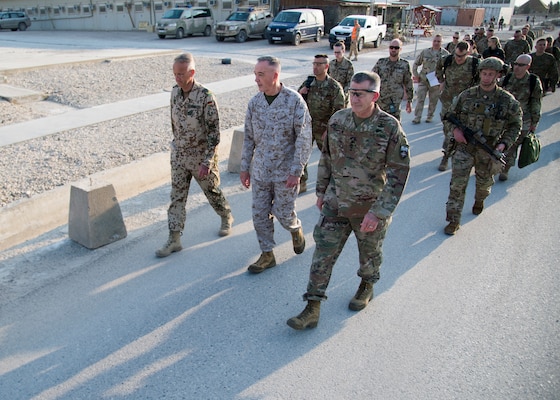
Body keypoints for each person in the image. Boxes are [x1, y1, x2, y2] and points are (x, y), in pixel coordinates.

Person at [286, 71, 410, 330]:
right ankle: (312, 306)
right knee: (323, 254)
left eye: (359, 93)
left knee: (369, 254)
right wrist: (321, 191)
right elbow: (327, 158)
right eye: (351, 92)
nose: (353, 97)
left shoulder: (389, 127)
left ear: (374, 96)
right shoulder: (338, 120)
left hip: (369, 207)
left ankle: (367, 284)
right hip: (336, 202)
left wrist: (379, 212)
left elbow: (399, 172)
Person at [156, 53, 234, 258]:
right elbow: (174, 124)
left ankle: (226, 215)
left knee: (212, 192)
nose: (177, 78)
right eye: (175, 74)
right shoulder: (174, 93)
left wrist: (208, 160)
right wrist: (177, 148)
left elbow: (214, 134)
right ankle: (174, 238)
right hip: (180, 157)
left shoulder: (206, 97)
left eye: (181, 74)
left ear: (192, 72)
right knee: (177, 197)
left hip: (201, 159)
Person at [240, 56, 312, 274]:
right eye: (255, 74)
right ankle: (267, 254)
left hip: (285, 173)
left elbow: (304, 137)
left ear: (275, 76)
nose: (256, 80)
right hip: (261, 170)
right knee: (260, 214)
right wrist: (244, 167)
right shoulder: (255, 103)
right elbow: (249, 138)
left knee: (283, 213)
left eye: (260, 75)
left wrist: (296, 171)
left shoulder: (294, 101)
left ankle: (295, 228)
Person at [443, 57, 521, 235]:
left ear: (498, 76)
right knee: (457, 186)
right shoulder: (467, 95)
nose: (486, 77)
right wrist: (455, 131)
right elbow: (448, 116)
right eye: (484, 74)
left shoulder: (506, 100)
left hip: (489, 150)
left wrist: (503, 144)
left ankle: (479, 200)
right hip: (464, 149)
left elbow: (515, 124)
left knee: (484, 185)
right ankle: (453, 220)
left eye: (490, 74)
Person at [298, 54, 345, 193]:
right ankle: (302, 182)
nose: (315, 67)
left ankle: (334, 183)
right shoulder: (308, 83)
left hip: (324, 127)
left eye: (319, 64)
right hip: (308, 125)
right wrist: (301, 93)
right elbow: (296, 103)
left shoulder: (334, 87)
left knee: (330, 156)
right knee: (302, 154)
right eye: (314, 63)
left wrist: (329, 130)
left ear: (326, 66)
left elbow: (339, 111)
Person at [435, 41, 480, 171]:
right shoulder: (447, 60)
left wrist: (475, 91)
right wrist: (441, 80)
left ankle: (451, 155)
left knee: (461, 130)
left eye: (461, 56)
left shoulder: (475, 63)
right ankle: (448, 151)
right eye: (456, 55)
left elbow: (482, 77)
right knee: (448, 129)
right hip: (448, 100)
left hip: (465, 103)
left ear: (468, 53)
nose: (458, 59)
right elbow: (437, 68)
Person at [500, 54, 542, 181]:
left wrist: (534, 122)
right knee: (498, 141)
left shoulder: (533, 81)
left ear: (528, 66)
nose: (516, 67)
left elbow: (536, 102)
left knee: (512, 145)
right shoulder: (507, 78)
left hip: (523, 120)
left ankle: (505, 169)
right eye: (515, 64)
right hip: (504, 118)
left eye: (520, 65)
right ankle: (494, 164)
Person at [372, 38, 413, 121]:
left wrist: (409, 101)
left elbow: (409, 83)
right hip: (380, 101)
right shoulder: (381, 62)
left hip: (395, 102)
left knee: (395, 126)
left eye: (396, 48)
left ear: (400, 49)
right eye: (391, 47)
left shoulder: (404, 65)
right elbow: (372, 79)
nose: (393, 49)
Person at [412, 34, 449, 124]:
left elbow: (449, 69)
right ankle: (417, 117)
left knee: (433, 100)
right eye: (435, 41)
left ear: (441, 42)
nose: (436, 43)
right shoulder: (425, 52)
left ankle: (429, 116)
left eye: (438, 41)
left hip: (436, 80)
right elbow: (416, 64)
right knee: (420, 98)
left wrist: (443, 81)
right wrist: (416, 75)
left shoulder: (445, 54)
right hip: (424, 79)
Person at [329, 41, 354, 105]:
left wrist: (343, 93)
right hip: (330, 94)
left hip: (342, 95)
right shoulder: (331, 63)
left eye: (338, 52)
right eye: (335, 52)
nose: (336, 55)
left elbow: (350, 81)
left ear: (343, 51)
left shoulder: (348, 65)